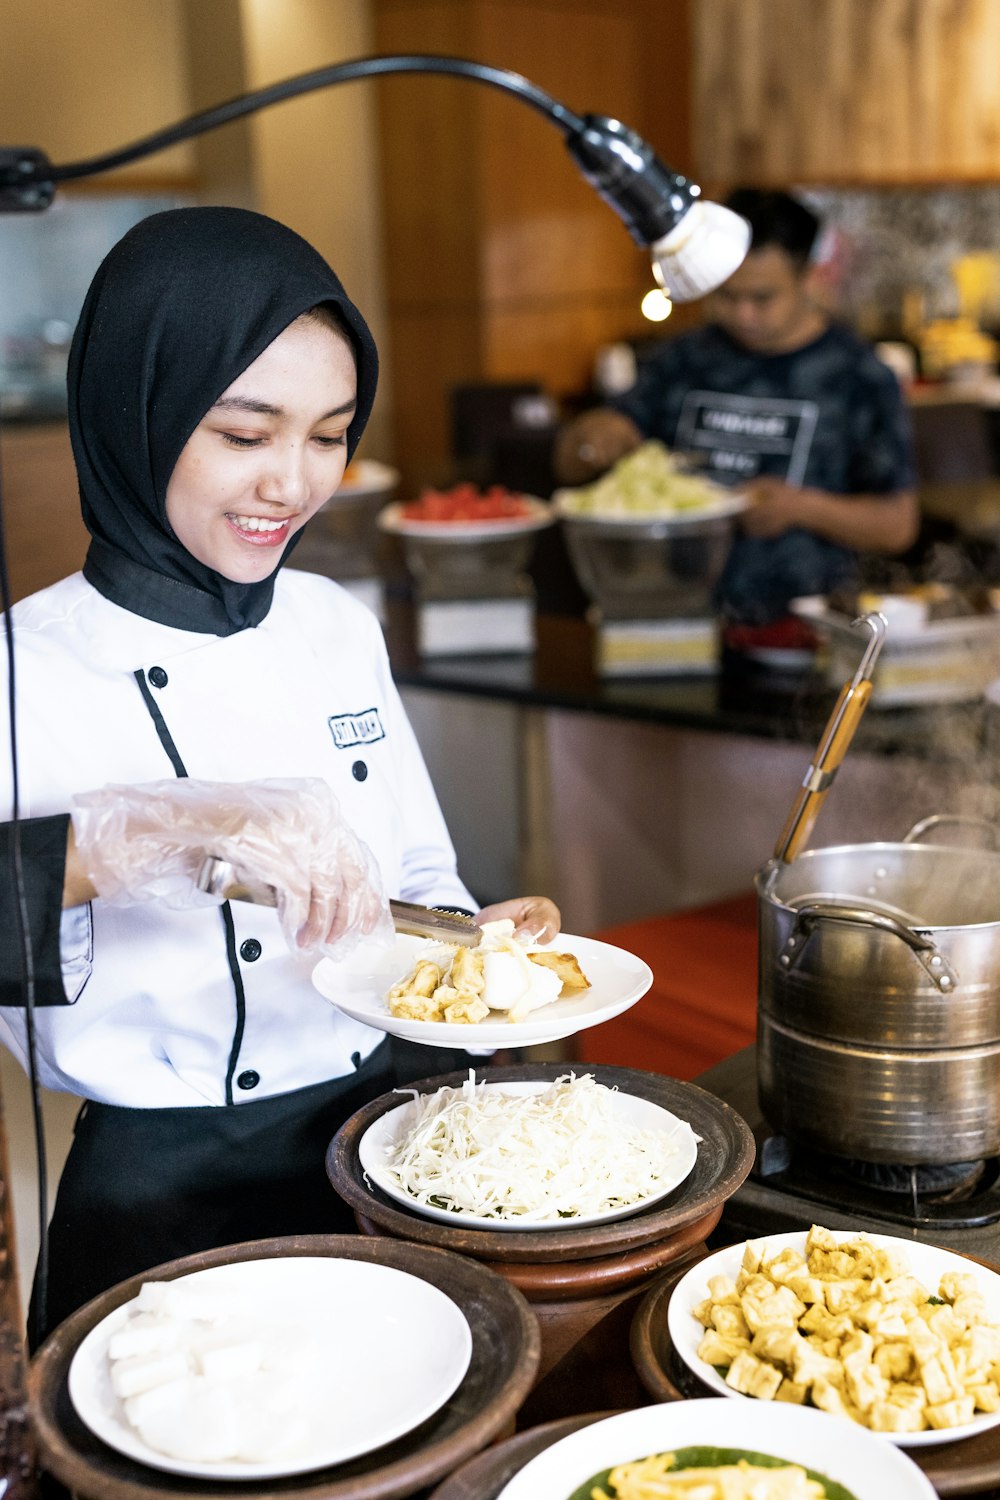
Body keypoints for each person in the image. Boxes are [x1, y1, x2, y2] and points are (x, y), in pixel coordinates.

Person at [0, 206, 559, 1344]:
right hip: (155, 1187)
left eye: (328, 433)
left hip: (387, 1138)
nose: (292, 484)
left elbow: (412, 865)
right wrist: (128, 839)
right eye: (244, 434)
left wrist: (469, 949)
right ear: (137, 411)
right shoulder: (22, 664)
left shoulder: (332, 623)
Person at [555, 189, 919, 627]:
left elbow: (898, 525)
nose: (743, 315)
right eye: (726, 296)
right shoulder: (684, 359)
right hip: (672, 618)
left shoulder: (859, 376)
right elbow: (574, 463)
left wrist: (798, 507)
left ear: (808, 278)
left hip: (804, 632)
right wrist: (592, 439)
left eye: (763, 298)